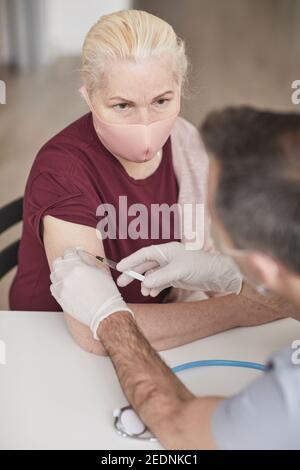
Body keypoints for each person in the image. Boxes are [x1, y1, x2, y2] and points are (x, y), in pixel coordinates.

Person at [10, 10, 287, 355]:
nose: (145, 126)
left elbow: (227, 262)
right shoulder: (62, 170)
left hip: (161, 327)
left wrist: (235, 282)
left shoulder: (187, 145)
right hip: (52, 347)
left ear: (179, 89)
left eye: (161, 101)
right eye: (122, 105)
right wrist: (244, 309)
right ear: (90, 97)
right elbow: (92, 330)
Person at [50, 107, 300, 449]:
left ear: (265, 264)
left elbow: (182, 430)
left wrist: (109, 318)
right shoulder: (63, 165)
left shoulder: (288, 399)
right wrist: (229, 275)